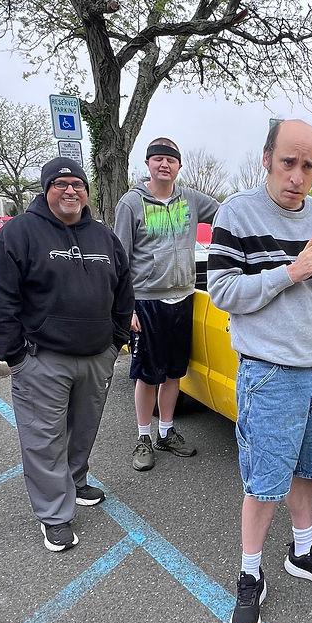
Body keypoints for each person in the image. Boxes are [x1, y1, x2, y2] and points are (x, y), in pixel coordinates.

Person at [207, 118, 312, 623]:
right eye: (288, 162)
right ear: (265, 157)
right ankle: (250, 575)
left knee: (308, 470)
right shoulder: (237, 213)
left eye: (308, 165)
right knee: (264, 482)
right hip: (268, 373)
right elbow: (222, 291)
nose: (297, 175)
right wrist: (291, 270)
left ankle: (303, 551)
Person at [0, 157, 134, 552]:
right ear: (46, 189)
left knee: (83, 428)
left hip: (96, 354)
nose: (70, 190)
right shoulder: (18, 235)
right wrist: (15, 356)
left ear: (87, 192)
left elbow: (123, 290)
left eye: (78, 184)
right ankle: (54, 515)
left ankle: (75, 481)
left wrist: (115, 342)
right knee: (44, 438)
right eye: (61, 183)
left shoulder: (103, 238)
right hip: (42, 358)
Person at [113, 138, 219, 469]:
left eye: (170, 160)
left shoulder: (191, 199)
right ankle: (143, 437)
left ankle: (166, 431)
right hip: (146, 302)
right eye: (157, 159)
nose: (164, 165)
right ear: (148, 164)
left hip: (183, 298)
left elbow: (228, 214)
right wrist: (125, 307)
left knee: (174, 372)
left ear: (178, 166)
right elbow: (120, 260)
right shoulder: (131, 204)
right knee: (147, 374)